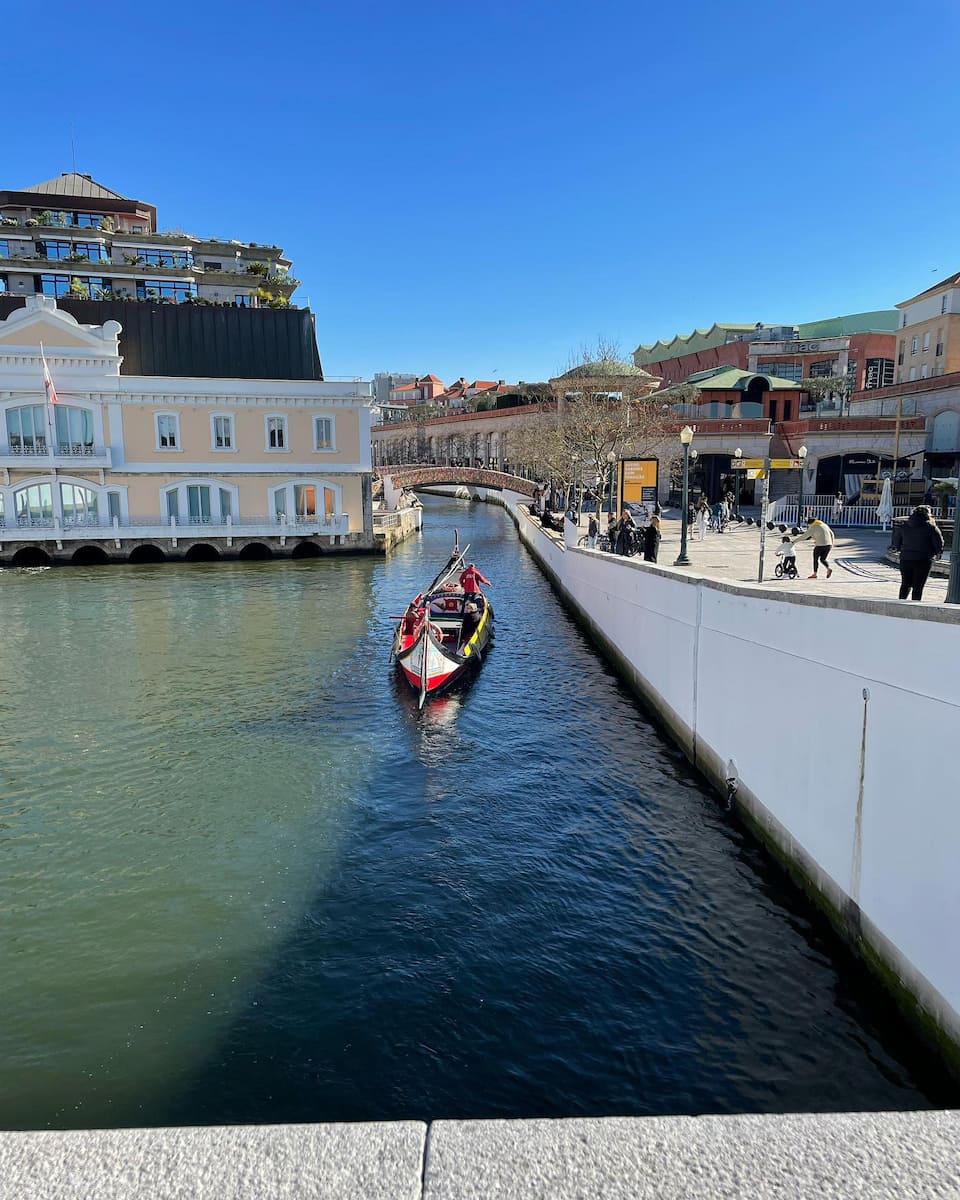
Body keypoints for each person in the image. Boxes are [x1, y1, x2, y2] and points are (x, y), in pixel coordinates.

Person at [892, 504, 943, 601]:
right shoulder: (931, 527)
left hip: (905, 559)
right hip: (923, 559)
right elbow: (938, 543)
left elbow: (896, 543)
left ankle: (899, 604)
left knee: (905, 584)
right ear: (928, 515)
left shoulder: (904, 526)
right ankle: (915, 606)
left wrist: (902, 550)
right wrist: (938, 553)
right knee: (918, 586)